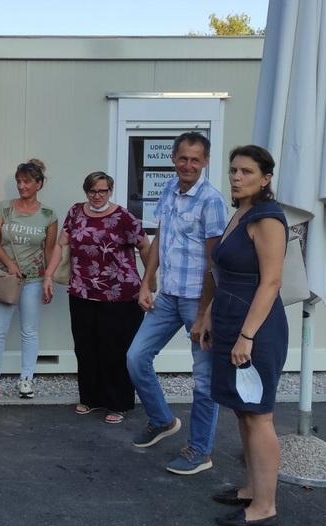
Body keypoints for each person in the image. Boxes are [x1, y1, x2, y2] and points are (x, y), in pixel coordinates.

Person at [126, 132, 229, 475]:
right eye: (183, 158)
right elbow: (160, 237)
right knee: (136, 357)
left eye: (195, 159)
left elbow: (215, 262)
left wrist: (203, 313)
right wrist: (147, 282)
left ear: (205, 162)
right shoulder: (169, 188)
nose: (188, 165)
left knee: (203, 380)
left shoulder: (212, 201)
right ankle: (162, 420)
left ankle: (200, 450)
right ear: (173, 158)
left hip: (198, 299)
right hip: (168, 295)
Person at [203, 146, 287, 526]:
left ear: (266, 178)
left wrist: (247, 336)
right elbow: (224, 271)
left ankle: (265, 505)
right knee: (243, 409)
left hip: (257, 328)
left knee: (259, 415)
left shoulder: (267, 218)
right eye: (233, 170)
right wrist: (209, 313)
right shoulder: (241, 212)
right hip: (229, 319)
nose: (236, 177)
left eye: (247, 172)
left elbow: (271, 282)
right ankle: (252, 487)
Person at [43, 171, 150, 424]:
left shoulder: (123, 217)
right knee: (85, 347)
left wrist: (149, 281)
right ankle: (90, 398)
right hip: (82, 291)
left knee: (114, 350)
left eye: (103, 191)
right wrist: (48, 275)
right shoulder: (76, 212)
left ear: (110, 191)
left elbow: (145, 245)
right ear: (86, 191)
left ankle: (118, 403)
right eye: (92, 191)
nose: (97, 196)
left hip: (119, 294)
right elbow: (61, 244)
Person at [0, 159, 58, 399]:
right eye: (19, 181)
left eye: (27, 181)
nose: (22, 186)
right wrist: (11, 264)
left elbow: (49, 250)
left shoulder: (48, 215)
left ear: (39, 184)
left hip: (33, 280)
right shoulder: (4, 209)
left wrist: (48, 278)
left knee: (29, 331)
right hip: (6, 278)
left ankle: (26, 378)